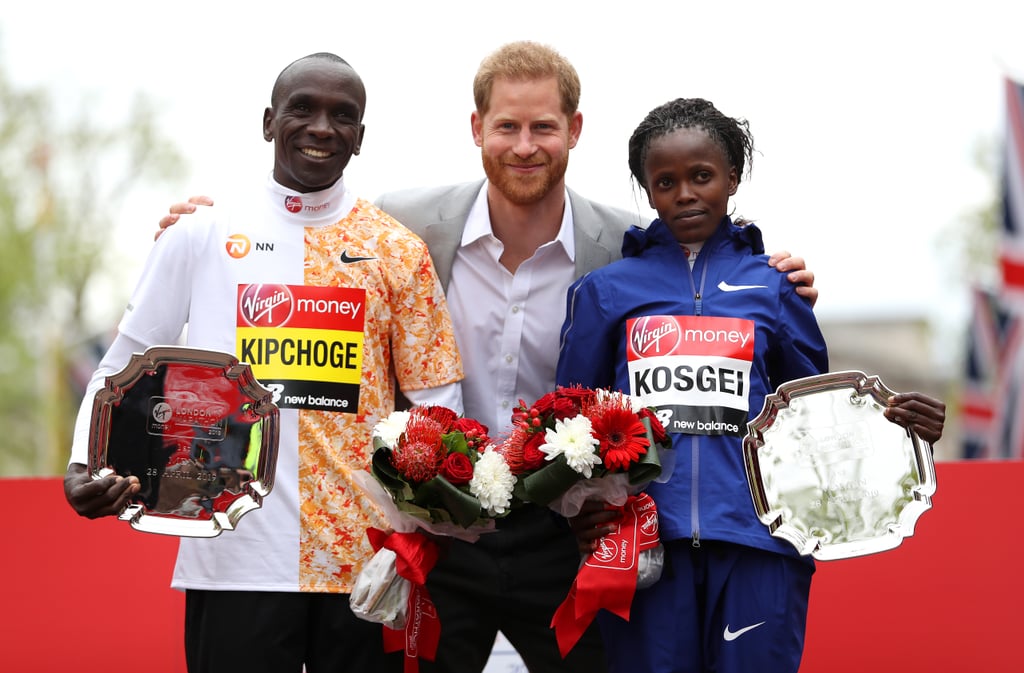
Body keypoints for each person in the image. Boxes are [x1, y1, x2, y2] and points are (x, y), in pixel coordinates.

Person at [156, 42, 819, 673]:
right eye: (507, 126)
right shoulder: (404, 225)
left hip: (567, 533)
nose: (524, 146)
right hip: (439, 528)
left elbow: (709, 280)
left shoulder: (626, 245)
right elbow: (308, 238)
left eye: (543, 127)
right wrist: (205, 227)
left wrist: (776, 271)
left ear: (575, 128)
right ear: (476, 127)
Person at [64, 53, 464, 673]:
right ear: (269, 121)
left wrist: (415, 538)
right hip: (231, 551)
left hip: (363, 562)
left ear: (361, 138)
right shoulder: (199, 235)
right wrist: (83, 464)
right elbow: (125, 360)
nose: (322, 127)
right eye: (303, 108)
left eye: (343, 116)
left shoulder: (398, 251)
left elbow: (440, 411)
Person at [555, 97, 946, 673]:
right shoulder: (605, 291)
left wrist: (902, 428)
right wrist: (577, 507)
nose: (685, 193)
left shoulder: (775, 287)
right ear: (647, 189)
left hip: (760, 545)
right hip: (642, 550)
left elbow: (820, 416)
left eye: (702, 176)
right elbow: (567, 420)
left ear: (732, 178)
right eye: (665, 181)